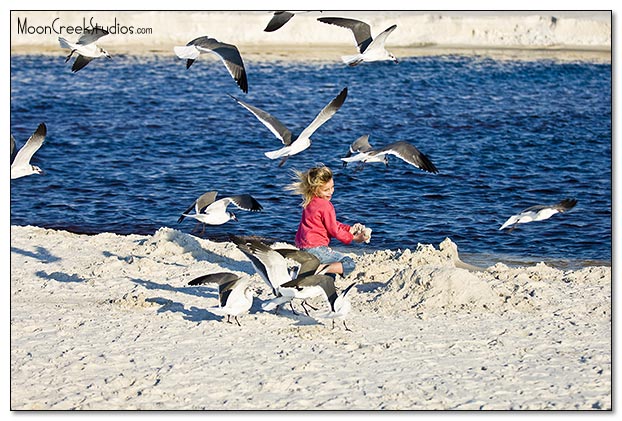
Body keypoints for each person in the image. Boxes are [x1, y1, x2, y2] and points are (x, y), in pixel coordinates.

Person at [287, 165, 368, 277]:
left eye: (332, 187)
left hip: (304, 248)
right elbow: (333, 230)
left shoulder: (310, 202)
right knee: (348, 263)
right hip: (317, 249)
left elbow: (330, 223)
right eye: (326, 190)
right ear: (315, 189)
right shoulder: (326, 205)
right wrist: (354, 238)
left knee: (331, 274)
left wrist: (348, 229)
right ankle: (308, 270)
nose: (331, 192)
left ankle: (310, 273)